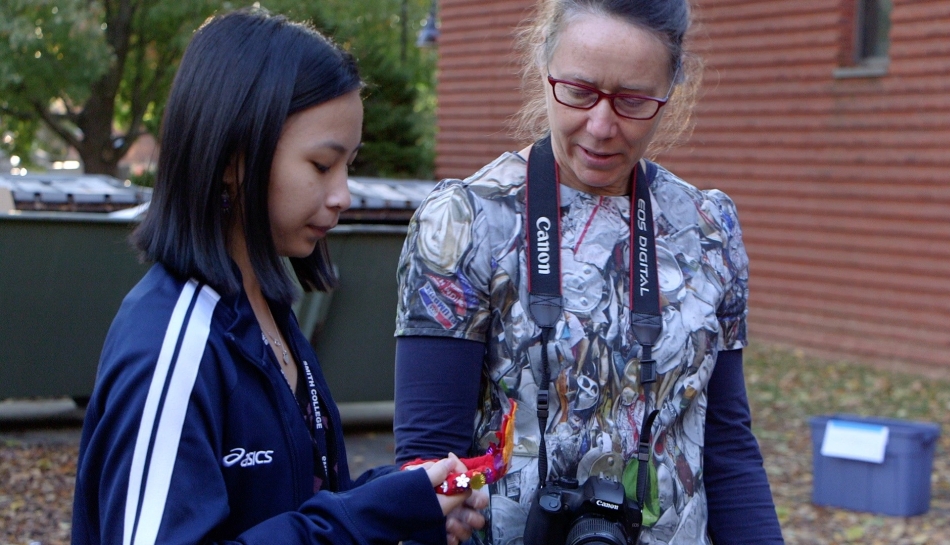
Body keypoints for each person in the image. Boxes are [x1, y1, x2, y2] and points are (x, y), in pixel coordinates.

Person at [71, 9, 485, 545]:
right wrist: (366, 518)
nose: (343, 195)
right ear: (232, 157)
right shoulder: (172, 345)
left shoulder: (266, 312)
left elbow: (293, 508)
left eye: (349, 166)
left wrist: (399, 499)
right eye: (320, 165)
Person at [393, 0, 785, 543]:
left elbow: (727, 446)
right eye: (578, 92)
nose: (602, 127)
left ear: (672, 92)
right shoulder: (467, 221)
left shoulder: (706, 228)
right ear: (544, 66)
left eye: (633, 101)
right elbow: (427, 460)